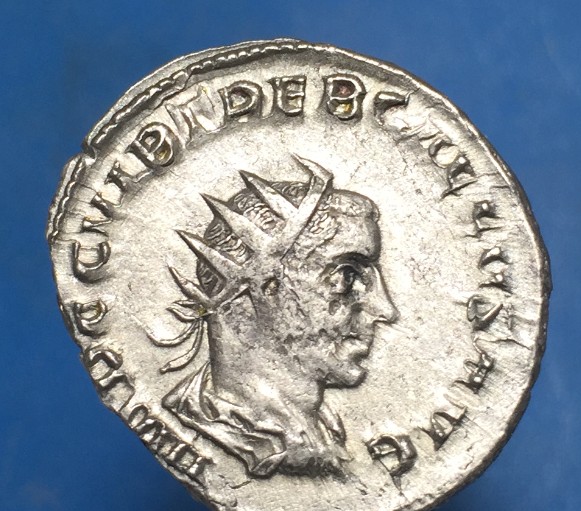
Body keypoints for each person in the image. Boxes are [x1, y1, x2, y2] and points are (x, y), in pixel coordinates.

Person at [153, 158, 398, 477]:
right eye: (345, 276)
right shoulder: (246, 434)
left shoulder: (323, 430)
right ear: (257, 294)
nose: (386, 309)